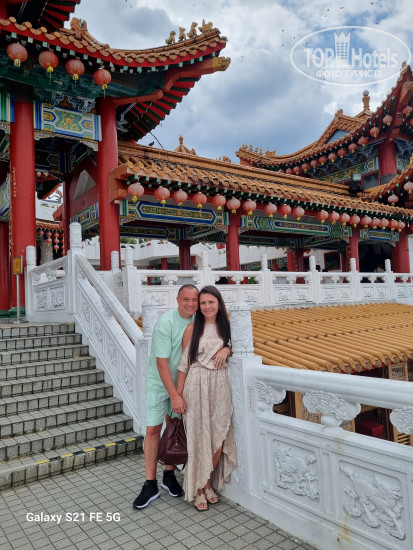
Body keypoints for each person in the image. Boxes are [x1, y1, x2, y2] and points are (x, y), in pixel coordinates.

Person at [132, 284, 199, 509]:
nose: (190, 304)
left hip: (182, 383)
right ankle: (150, 483)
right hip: (159, 384)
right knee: (153, 429)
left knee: (175, 427)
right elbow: (161, 363)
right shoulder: (166, 323)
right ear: (177, 300)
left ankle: (169, 475)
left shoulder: (198, 321)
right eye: (186, 299)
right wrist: (174, 396)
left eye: (194, 300)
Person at [176, 285, 237, 511]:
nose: (207, 306)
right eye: (203, 303)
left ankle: (207, 482)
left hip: (220, 385)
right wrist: (177, 397)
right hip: (196, 384)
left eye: (211, 302)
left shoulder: (227, 327)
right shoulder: (192, 329)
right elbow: (183, 365)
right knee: (198, 438)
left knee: (218, 437)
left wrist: (226, 350)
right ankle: (200, 489)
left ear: (219, 304)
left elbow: (238, 347)